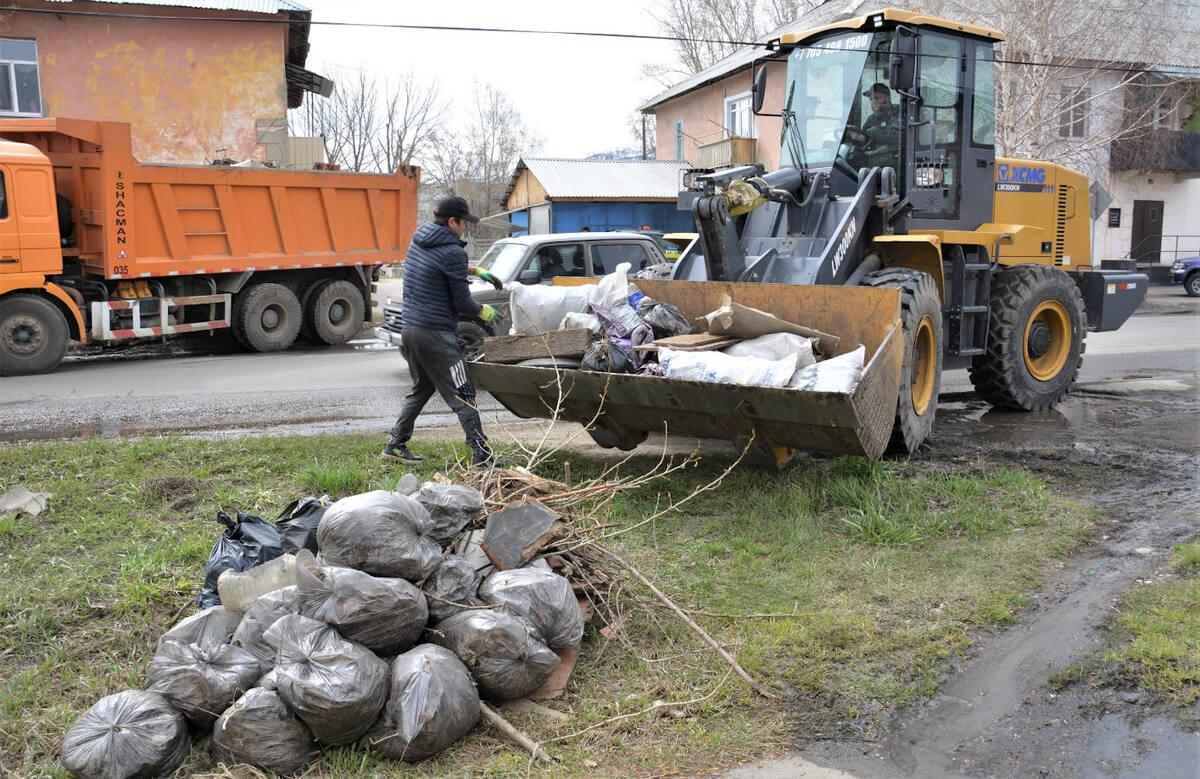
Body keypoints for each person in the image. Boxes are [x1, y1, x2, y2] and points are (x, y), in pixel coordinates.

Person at [383, 195, 502, 467]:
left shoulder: (419, 239)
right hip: (436, 334)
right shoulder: (453, 251)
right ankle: (481, 455)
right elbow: (462, 302)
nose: (466, 228)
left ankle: (395, 443)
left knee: (423, 388)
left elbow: (435, 266)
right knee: (464, 392)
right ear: (452, 221)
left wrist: (475, 269)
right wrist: (484, 311)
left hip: (411, 329)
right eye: (464, 223)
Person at [845, 82, 900, 168]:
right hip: (874, 157)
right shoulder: (872, 118)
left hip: (895, 158)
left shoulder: (898, 111)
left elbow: (897, 136)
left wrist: (867, 134)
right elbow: (866, 139)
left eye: (877, 98)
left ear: (887, 98)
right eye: (871, 99)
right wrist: (856, 134)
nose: (873, 102)